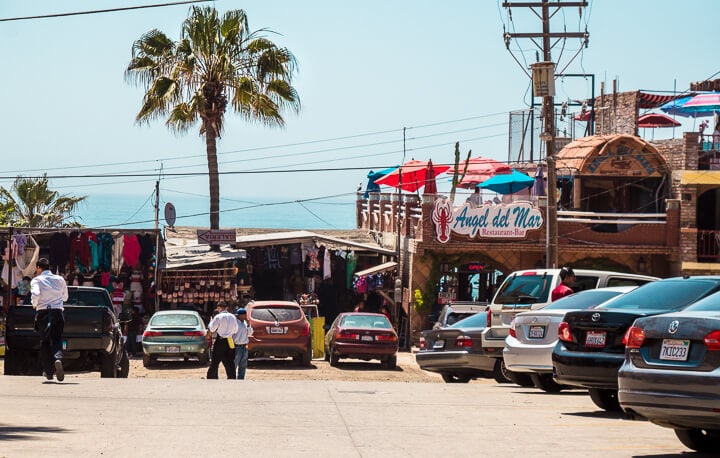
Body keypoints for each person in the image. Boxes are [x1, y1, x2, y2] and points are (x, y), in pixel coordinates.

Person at [31, 257, 69, 382]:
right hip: (57, 312)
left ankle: (48, 372)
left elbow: (35, 294)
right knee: (57, 338)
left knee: (45, 341)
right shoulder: (60, 279)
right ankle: (58, 358)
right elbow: (65, 298)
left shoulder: (36, 280)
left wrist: (34, 304)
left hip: (43, 313)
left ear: (38, 268)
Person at [205, 301, 239, 379]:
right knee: (229, 361)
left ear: (219, 308)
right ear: (226, 308)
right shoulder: (233, 317)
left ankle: (212, 377)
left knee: (215, 360)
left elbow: (212, 328)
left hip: (220, 340)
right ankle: (232, 377)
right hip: (230, 340)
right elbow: (236, 330)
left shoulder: (218, 317)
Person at [232, 308, 253, 380]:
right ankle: (231, 378)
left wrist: (249, 325)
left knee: (243, 365)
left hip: (244, 346)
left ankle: (241, 379)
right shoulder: (235, 323)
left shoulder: (245, 323)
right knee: (234, 364)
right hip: (237, 346)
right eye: (244, 315)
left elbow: (250, 333)